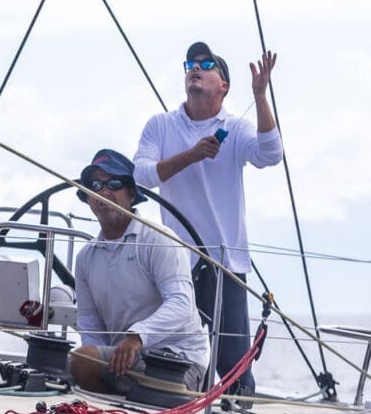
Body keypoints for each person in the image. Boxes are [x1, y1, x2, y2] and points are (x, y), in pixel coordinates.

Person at [133, 42, 281, 394]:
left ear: (223, 85)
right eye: (190, 64)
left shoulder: (237, 128)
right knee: (168, 359)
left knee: (234, 369)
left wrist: (260, 96)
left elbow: (271, 154)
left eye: (206, 64)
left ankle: (237, 409)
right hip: (172, 265)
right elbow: (140, 176)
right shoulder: (161, 125)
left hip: (225, 263)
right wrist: (191, 155)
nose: (195, 68)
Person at [68, 149, 210, 394]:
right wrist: (91, 362)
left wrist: (137, 337)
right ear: (88, 197)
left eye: (114, 184)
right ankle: (110, 407)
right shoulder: (85, 259)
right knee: (73, 363)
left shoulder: (159, 239)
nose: (104, 192)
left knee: (82, 361)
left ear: (131, 194)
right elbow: (90, 323)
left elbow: (181, 303)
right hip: (124, 361)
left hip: (179, 360)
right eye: (95, 186)